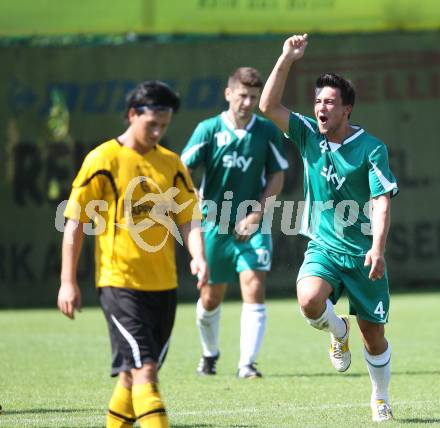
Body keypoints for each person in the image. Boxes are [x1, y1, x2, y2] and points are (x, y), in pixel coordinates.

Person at [259, 34, 398, 422]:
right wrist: (286, 58)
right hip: (323, 246)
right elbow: (267, 105)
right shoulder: (306, 133)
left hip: (363, 254)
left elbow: (381, 201)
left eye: (330, 102)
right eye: (318, 101)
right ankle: (338, 332)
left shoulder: (371, 148)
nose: (321, 108)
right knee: (308, 300)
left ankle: (380, 397)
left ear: (347, 109)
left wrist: (378, 249)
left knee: (374, 336)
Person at [57, 80, 208, 428]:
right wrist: (68, 282)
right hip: (120, 284)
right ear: (131, 114)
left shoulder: (170, 164)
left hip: (164, 285)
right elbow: (75, 222)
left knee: (130, 374)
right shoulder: (102, 159)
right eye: (151, 124)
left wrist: (198, 256)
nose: (157, 131)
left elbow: (188, 218)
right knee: (146, 370)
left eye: (164, 126)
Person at [181, 67, 288, 379]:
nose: (248, 102)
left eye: (254, 97)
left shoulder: (266, 132)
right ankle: (209, 353)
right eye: (242, 95)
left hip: (251, 225)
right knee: (210, 297)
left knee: (254, 285)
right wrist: (194, 201)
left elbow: (277, 176)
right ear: (228, 94)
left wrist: (257, 214)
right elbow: (181, 169)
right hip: (214, 225)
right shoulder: (209, 129)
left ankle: (247, 364)